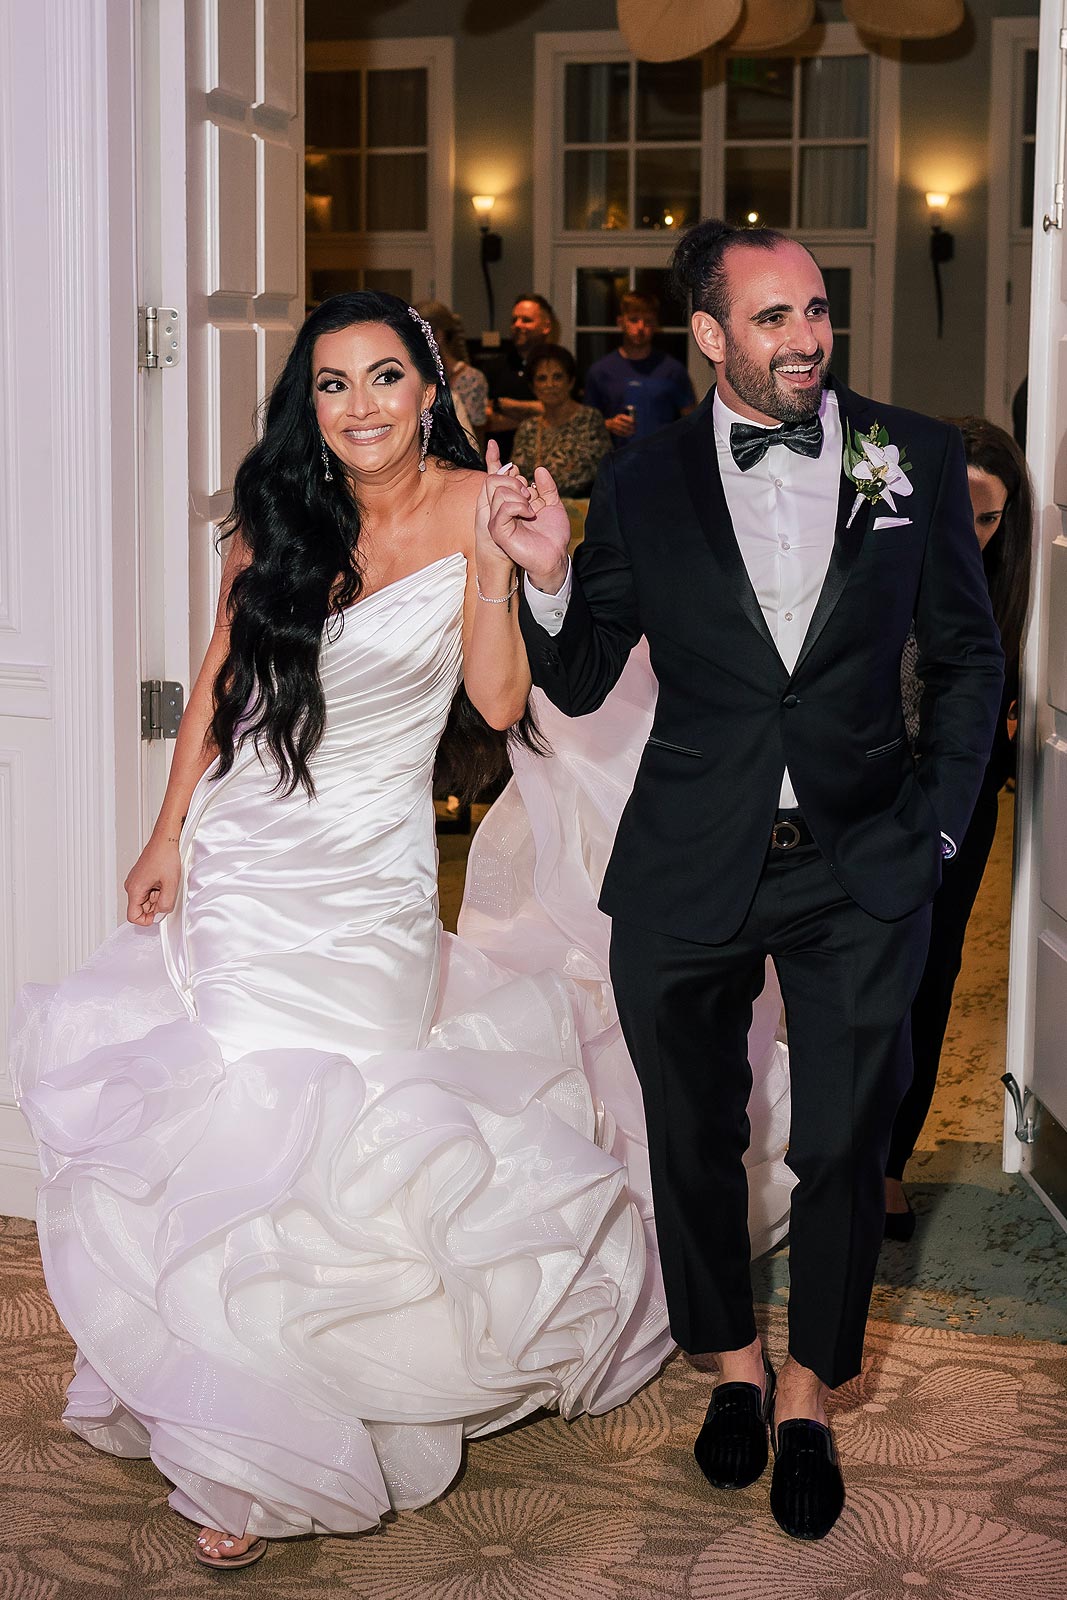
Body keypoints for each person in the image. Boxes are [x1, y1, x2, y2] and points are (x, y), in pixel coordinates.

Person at [11, 288, 791, 1572]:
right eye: (332, 384)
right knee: (224, 1123)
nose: (360, 406)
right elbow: (220, 673)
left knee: (331, 1130)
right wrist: (166, 832)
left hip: (366, 875)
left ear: (431, 390)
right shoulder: (275, 512)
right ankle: (242, 1441)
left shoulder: (468, 509)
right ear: (305, 402)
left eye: (384, 378)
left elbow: (494, 694)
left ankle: (322, 1389)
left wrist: (490, 564)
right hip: (243, 853)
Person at [490, 217, 1004, 1541]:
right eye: (771, 318)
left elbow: (964, 654)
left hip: (861, 856)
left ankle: (808, 1396)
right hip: (686, 856)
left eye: (816, 312)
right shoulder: (647, 479)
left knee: (839, 1140)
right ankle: (726, 1365)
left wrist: (938, 828)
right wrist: (546, 580)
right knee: (690, 1134)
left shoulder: (902, 455)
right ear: (707, 333)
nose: (805, 339)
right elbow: (586, 670)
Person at [885, 416, 1032, 1239]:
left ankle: (887, 1164)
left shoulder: (1006, 588)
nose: (971, 534)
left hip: (960, 800)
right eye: (961, 512)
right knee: (845, 980)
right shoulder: (881, 558)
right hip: (865, 788)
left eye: (989, 518)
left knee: (931, 975)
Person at [583, 290, 695, 445]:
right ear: (621, 322)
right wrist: (609, 424)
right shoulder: (600, 371)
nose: (641, 327)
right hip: (616, 460)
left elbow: (692, 422)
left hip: (663, 459)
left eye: (648, 321)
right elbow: (585, 424)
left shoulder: (673, 370)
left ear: (656, 325)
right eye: (634, 320)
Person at [511, 343, 611, 497]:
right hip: (535, 513)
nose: (550, 385)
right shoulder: (527, 428)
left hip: (581, 514)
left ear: (570, 381)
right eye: (542, 378)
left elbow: (601, 476)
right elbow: (516, 478)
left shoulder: (590, 419)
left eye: (557, 377)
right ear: (532, 387)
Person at [480, 293, 558, 453]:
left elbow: (563, 413)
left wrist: (505, 405)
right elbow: (484, 420)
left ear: (546, 326)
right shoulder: (493, 367)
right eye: (514, 320)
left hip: (549, 460)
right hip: (501, 463)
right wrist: (537, 414)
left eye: (526, 320)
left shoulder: (559, 367)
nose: (518, 325)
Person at [415, 298, 489, 453]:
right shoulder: (413, 375)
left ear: (438, 335)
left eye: (416, 333)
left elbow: (476, 440)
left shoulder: (471, 380)